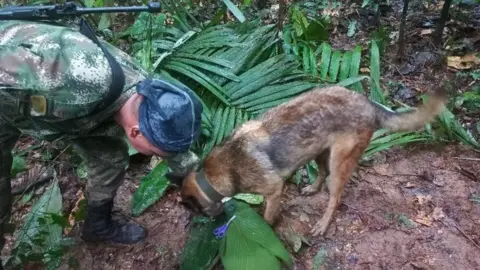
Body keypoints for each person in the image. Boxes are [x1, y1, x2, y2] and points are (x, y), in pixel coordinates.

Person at [0, 18, 202, 267]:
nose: (162, 156)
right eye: (157, 153)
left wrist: (201, 183)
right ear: (136, 134)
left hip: (69, 111)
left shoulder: (147, 95)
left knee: (110, 158)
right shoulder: (71, 83)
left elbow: (174, 148)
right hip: (9, 93)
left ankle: (97, 225)